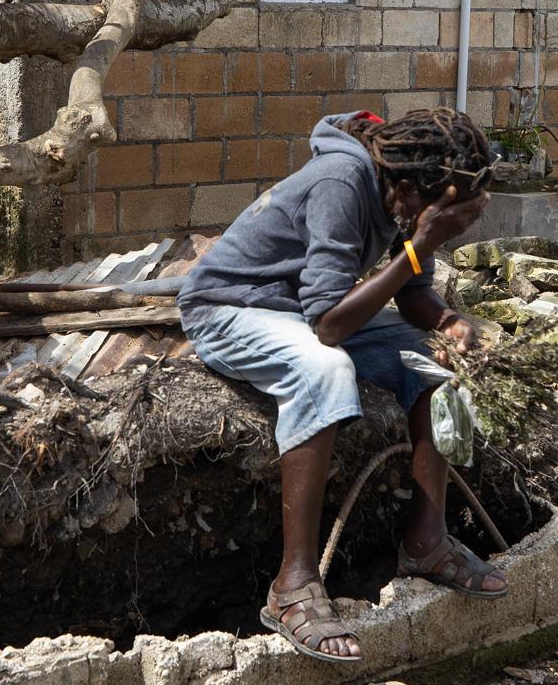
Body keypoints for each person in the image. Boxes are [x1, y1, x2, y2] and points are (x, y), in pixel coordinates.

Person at [177, 107, 507, 664]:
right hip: (231, 309)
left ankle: (425, 542)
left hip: (297, 311)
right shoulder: (341, 181)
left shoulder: (400, 197)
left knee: (437, 367)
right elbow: (329, 324)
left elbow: (411, 294)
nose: (438, 226)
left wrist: (448, 321)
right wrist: (417, 245)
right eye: (438, 215)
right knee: (325, 369)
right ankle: (293, 586)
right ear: (405, 191)